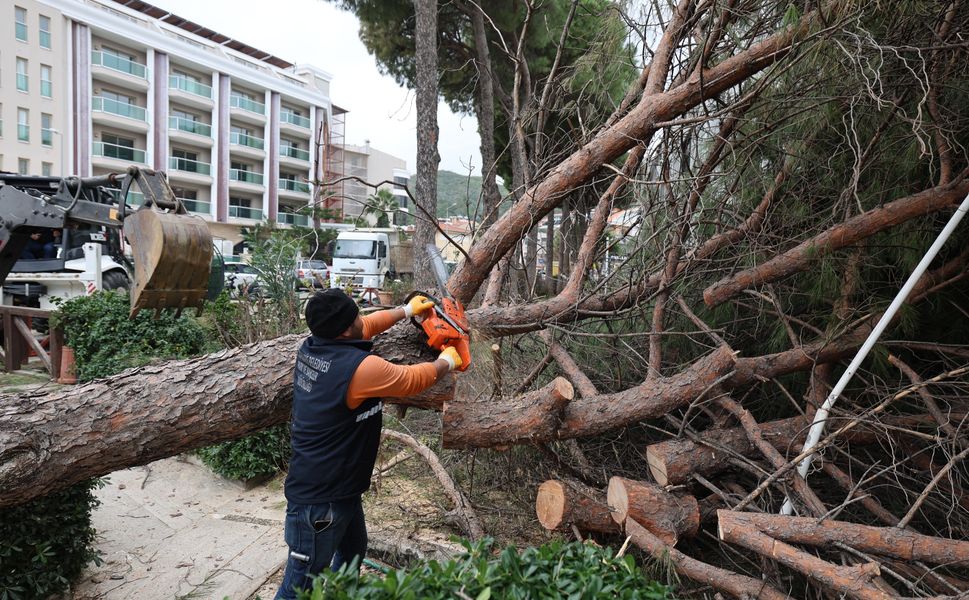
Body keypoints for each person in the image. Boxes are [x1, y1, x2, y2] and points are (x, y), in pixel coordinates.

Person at [275, 288, 462, 599]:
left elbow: (366, 325)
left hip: (339, 488)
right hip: (321, 503)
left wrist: (406, 311)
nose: (363, 319)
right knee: (298, 588)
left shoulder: (315, 346)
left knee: (352, 554)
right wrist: (445, 362)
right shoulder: (359, 369)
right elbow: (409, 380)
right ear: (345, 330)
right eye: (356, 317)